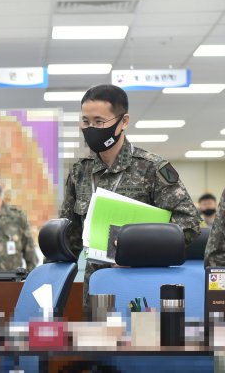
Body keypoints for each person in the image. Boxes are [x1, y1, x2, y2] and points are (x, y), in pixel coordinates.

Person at [59, 84, 199, 316]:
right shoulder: (79, 172)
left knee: (143, 347)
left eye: (99, 121)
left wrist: (140, 253)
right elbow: (69, 237)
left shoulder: (152, 168)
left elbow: (189, 224)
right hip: (97, 290)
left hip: (142, 287)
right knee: (98, 349)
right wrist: (49, 283)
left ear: (123, 121)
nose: (91, 128)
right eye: (86, 121)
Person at [204, 188, 225, 267]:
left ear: (216, 204)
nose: (207, 206)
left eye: (209, 203)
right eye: (204, 204)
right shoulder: (197, 223)